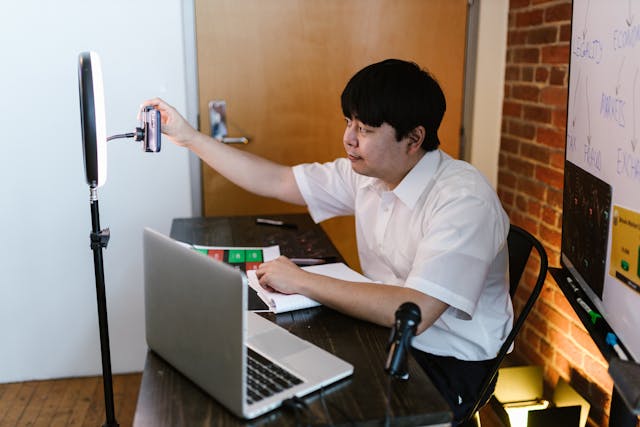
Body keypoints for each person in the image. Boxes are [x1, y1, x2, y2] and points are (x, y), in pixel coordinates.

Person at [142, 58, 512, 425]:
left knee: (307, 408)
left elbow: (414, 313)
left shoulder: (463, 199)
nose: (348, 138)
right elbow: (278, 181)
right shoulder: (370, 173)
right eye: (348, 122)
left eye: (364, 129)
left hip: (447, 361)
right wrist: (190, 138)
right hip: (383, 333)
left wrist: (302, 281)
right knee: (276, 372)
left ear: (413, 138)